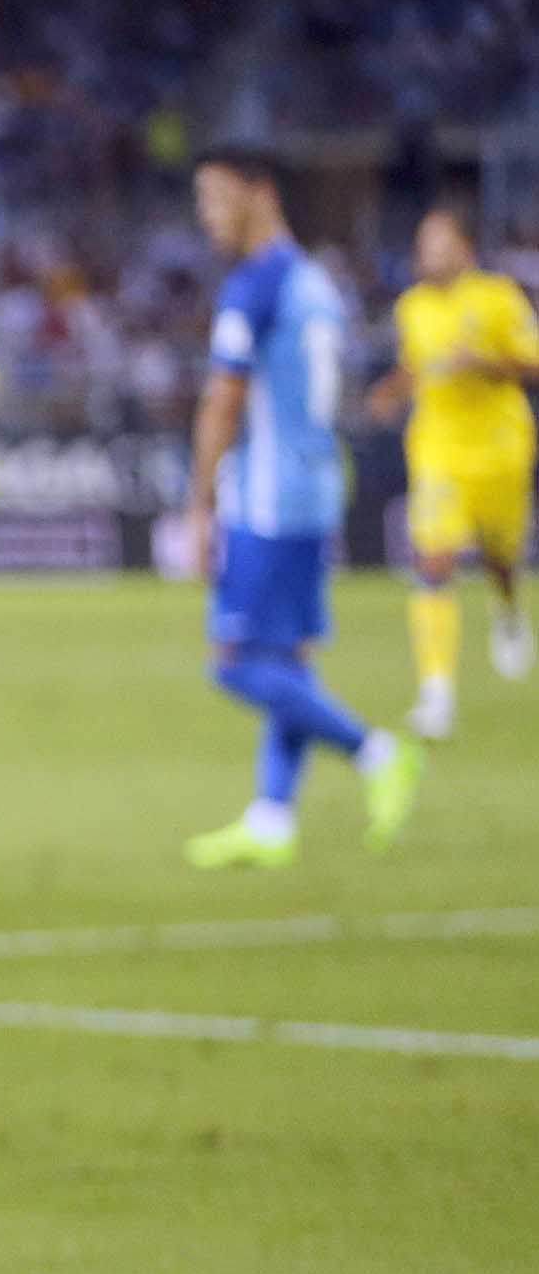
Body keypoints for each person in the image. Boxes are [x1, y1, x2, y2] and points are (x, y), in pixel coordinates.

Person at [183, 147, 425, 869]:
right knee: (286, 660)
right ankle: (271, 818)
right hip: (317, 480)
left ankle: (377, 753)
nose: (206, 217)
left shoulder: (254, 286)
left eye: (215, 198)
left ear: (259, 193)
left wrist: (199, 505)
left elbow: (223, 399)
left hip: (270, 495)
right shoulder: (316, 281)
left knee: (233, 663)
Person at [365, 205, 538, 740]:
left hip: (500, 449)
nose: (429, 252)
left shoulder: (498, 297)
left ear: (465, 247)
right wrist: (390, 392)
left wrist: (483, 363)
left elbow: (532, 362)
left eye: (438, 241)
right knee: (435, 559)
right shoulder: (412, 307)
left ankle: (508, 609)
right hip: (438, 449)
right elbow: (416, 367)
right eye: (424, 242)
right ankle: (436, 692)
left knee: (500, 555)